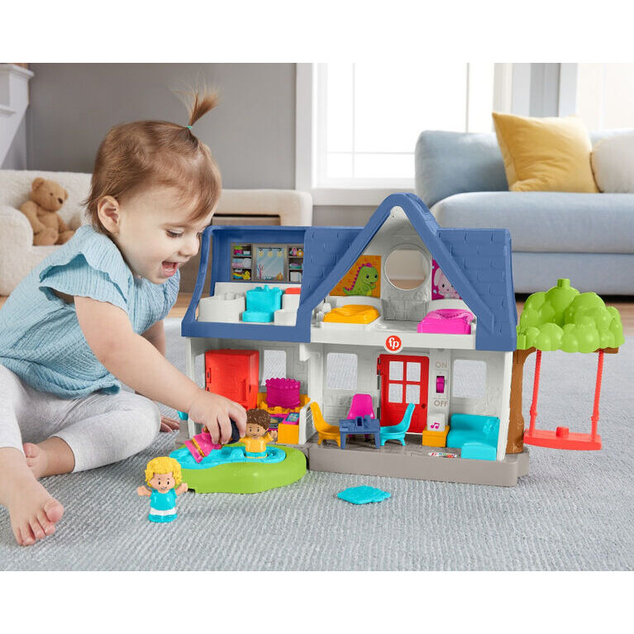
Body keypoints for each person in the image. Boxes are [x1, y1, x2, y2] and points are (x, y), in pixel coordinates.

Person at [0, 90, 247, 546]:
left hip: (75, 400)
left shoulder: (158, 272)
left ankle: (48, 457)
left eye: (199, 231)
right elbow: (116, 346)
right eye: (175, 231)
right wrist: (195, 399)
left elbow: (148, 335)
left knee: (141, 418)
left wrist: (153, 396)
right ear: (113, 215)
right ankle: (12, 476)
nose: (190, 247)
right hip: (16, 383)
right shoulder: (92, 258)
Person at [137, 456, 188, 523]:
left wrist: (182, 488)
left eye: (168, 482)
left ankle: (169, 516)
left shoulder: (170, 492)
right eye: (159, 482)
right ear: (150, 479)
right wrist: (144, 491)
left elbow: (176, 492)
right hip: (156, 507)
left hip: (169, 508)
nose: (163, 485)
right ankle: (156, 516)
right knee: (156, 512)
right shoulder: (155, 493)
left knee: (169, 512)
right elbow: (149, 493)